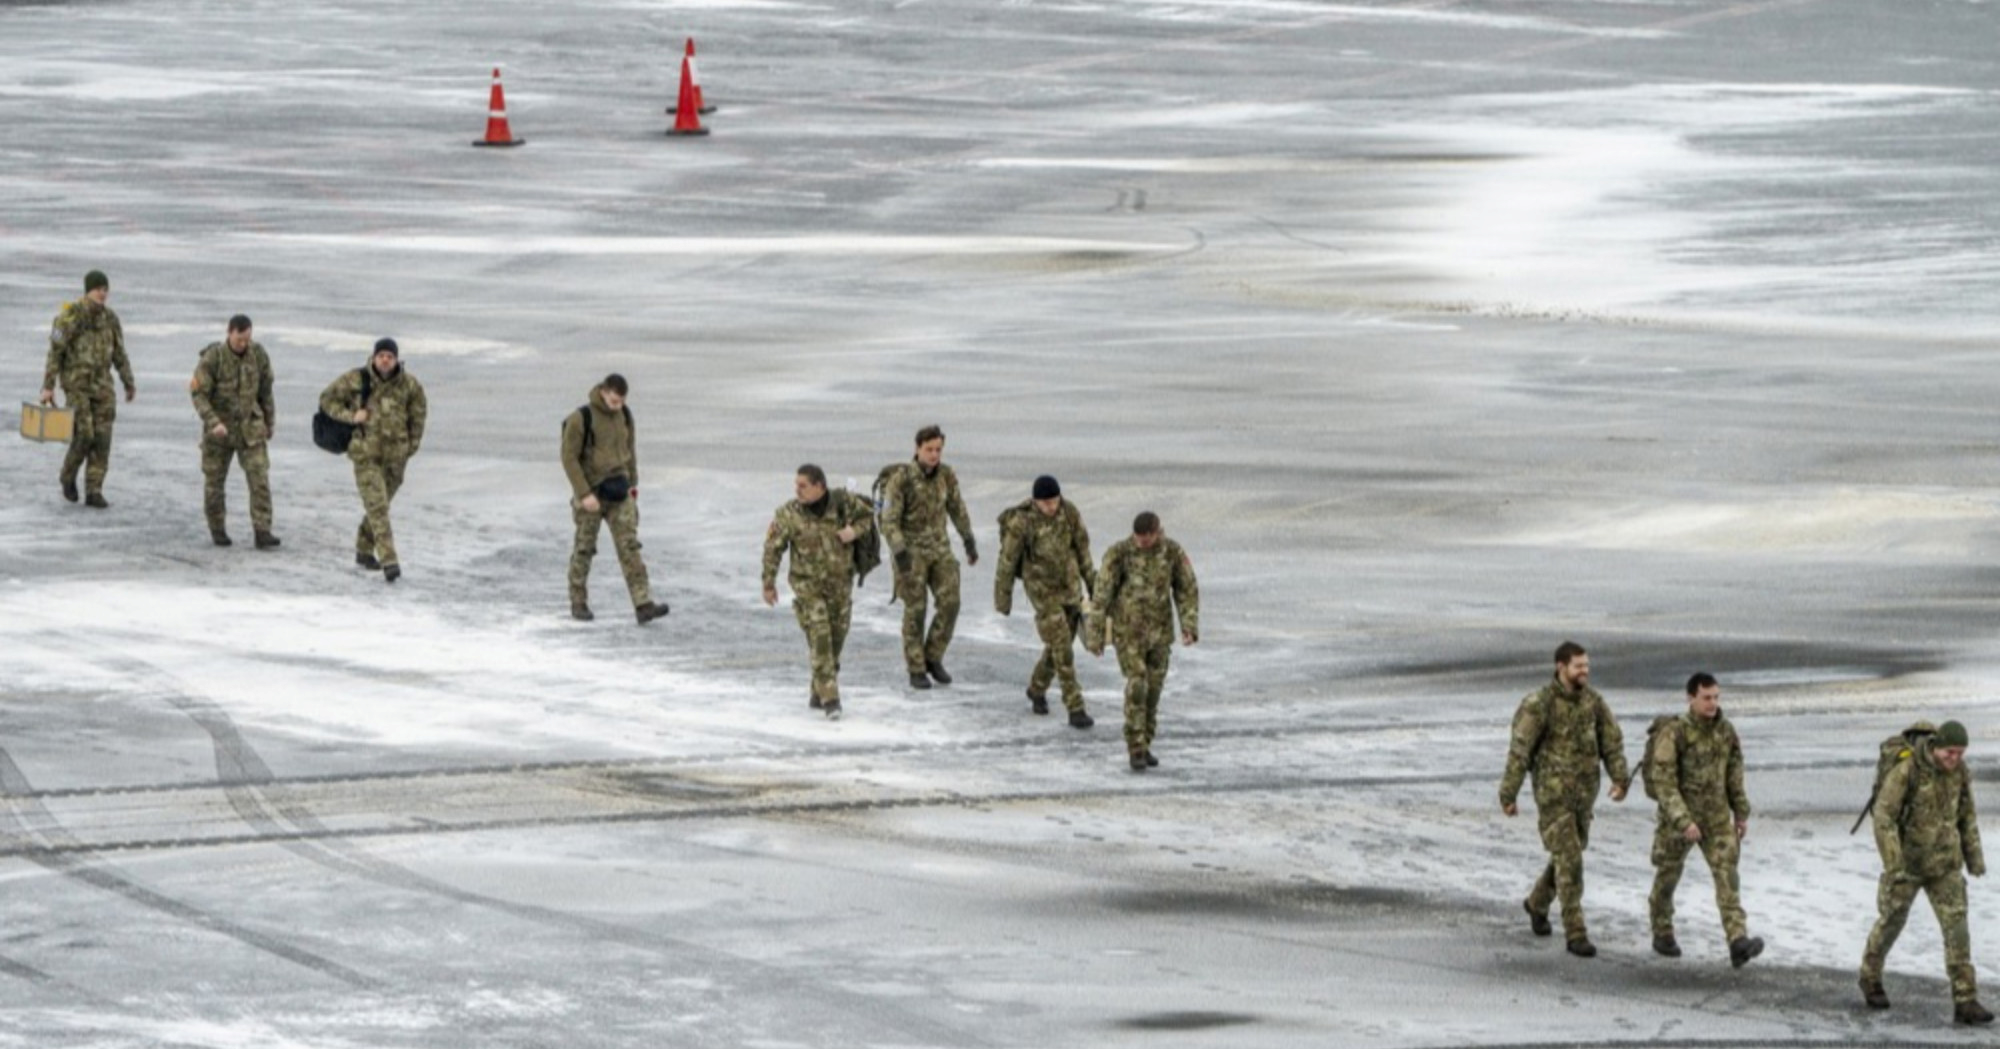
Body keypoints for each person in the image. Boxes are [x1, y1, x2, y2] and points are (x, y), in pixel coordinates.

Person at [1499, 641, 1629, 958]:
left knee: (1566, 857)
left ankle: (1537, 903)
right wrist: (1509, 793)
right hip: (1553, 796)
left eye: (1586, 665)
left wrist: (1620, 778)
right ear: (1561, 667)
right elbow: (1520, 751)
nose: (1584, 671)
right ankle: (1576, 932)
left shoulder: (1594, 703)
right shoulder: (1539, 704)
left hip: (1584, 796)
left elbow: (1611, 741)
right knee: (1570, 859)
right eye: (1578, 666)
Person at [1859, 719, 1992, 1024]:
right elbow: (1884, 817)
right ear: (1936, 747)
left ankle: (1965, 999)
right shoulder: (1907, 771)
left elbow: (1967, 816)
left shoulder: (1959, 773)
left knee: (1957, 929)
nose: (1954, 759)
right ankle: (1870, 976)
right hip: (1907, 864)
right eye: (1949, 753)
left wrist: (1974, 859)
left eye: (1960, 754)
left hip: (1945, 864)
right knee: (1891, 922)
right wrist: (1893, 864)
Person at [1647, 672, 1761, 967]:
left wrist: (1741, 812)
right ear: (1691, 699)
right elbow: (1664, 781)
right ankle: (1662, 929)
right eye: (1706, 698)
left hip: (1717, 819)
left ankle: (1737, 940)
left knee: (1728, 876)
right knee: (1668, 876)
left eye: (1716, 697)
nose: (1712, 703)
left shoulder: (1726, 731)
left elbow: (1734, 774)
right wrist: (1683, 821)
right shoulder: (1675, 733)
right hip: (1679, 820)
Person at [1084, 512, 1198, 771]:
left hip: (1160, 634)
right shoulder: (1120, 554)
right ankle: (1135, 747)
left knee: (1153, 691)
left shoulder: (1172, 553)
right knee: (1137, 685)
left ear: (1158, 532)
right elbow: (1101, 595)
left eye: (1147, 539)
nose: (1142, 543)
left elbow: (1186, 589)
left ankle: (1145, 742)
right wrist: (1096, 635)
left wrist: (1189, 626)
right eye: (1139, 539)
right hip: (1129, 634)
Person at [763, 465, 874, 720]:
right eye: (796, 485)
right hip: (807, 586)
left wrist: (853, 532)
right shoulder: (788, 514)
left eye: (803, 485)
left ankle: (818, 688)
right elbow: (773, 549)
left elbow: (869, 517)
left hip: (840, 586)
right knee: (821, 636)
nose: (797, 490)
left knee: (836, 639)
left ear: (819, 486)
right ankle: (830, 697)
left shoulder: (844, 503)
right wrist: (768, 583)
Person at [560, 374, 667, 624]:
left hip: (620, 492)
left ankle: (643, 604)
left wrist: (633, 484)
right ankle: (578, 601)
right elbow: (568, 458)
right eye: (614, 400)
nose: (617, 405)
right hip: (592, 494)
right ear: (603, 392)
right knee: (584, 549)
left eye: (621, 401)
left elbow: (630, 452)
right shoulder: (581, 419)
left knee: (630, 547)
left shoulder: (625, 416)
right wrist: (584, 493)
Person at [318, 338, 427, 583]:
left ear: (396, 359)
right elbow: (327, 399)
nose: (385, 360)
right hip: (365, 455)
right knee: (377, 507)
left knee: (381, 505)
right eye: (381, 356)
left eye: (390, 356)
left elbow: (418, 416)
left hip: (396, 458)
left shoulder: (410, 386)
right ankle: (389, 560)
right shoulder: (357, 380)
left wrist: (411, 446)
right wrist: (350, 415)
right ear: (374, 357)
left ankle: (364, 549)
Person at [994, 475, 1097, 728]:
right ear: (1035, 501)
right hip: (1042, 591)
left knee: (1058, 646)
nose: (1051, 507)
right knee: (1062, 647)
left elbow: (1083, 551)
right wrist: (1003, 598)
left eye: (1054, 501)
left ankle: (1036, 688)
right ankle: (1075, 707)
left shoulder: (1069, 512)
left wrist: (1096, 588)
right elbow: (1007, 562)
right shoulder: (1022, 522)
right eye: (1046, 503)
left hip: (1070, 588)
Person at [881, 424, 977, 690]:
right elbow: (888, 520)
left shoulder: (946, 475)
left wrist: (968, 540)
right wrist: (900, 552)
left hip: (940, 548)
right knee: (916, 609)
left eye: (938, 449)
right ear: (917, 449)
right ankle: (916, 667)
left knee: (951, 603)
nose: (934, 455)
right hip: (910, 551)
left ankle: (933, 656)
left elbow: (957, 508)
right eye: (929, 449)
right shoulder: (901, 479)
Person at [40, 269, 136, 508]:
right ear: (87, 291)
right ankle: (68, 475)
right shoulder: (68, 317)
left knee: (103, 438)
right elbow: (55, 352)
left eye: (105, 290)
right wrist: (48, 386)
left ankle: (94, 489)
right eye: (98, 289)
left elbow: (119, 353)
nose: (102, 294)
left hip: (102, 384)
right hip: (77, 384)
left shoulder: (111, 319)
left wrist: (128, 380)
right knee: (84, 434)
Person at [189, 314, 279, 549]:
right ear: (229, 333)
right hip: (220, 432)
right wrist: (212, 422)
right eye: (240, 339)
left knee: (259, 478)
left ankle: (263, 530)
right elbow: (198, 394)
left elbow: (266, 390)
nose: (243, 344)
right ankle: (217, 528)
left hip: (250, 429)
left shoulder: (258, 355)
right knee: (214, 482)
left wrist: (270, 422)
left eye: (247, 339)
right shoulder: (213, 358)